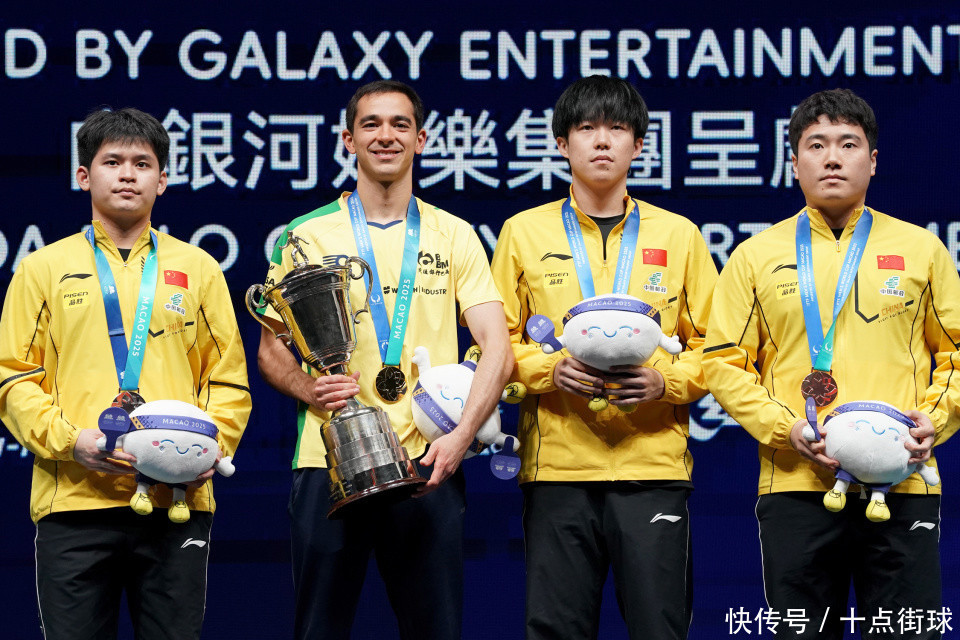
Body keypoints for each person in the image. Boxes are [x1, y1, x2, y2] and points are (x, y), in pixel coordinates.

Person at [256, 80, 512, 640]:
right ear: (348, 140)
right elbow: (271, 348)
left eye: (400, 124)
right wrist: (308, 388)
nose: (386, 135)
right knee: (319, 631)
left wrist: (460, 437)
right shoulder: (306, 235)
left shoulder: (454, 235)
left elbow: (498, 347)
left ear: (421, 139)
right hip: (328, 458)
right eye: (370, 124)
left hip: (428, 459)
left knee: (435, 632)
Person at [703, 88, 959, 639]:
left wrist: (933, 421)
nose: (833, 158)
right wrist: (786, 429)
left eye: (849, 143)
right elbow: (723, 361)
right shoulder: (755, 256)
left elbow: (956, 353)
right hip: (797, 483)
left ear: (873, 160)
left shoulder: (923, 250)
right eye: (816, 145)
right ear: (794, 163)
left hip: (903, 480)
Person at [0, 107, 252, 640]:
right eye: (111, 161)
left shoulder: (199, 268)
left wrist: (208, 451)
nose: (127, 174)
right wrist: (71, 441)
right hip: (75, 500)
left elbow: (227, 379)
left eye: (142, 163)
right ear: (84, 175)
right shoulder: (43, 268)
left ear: (162, 180)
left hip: (176, 499)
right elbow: (14, 378)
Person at [490, 75, 717, 640]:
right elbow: (494, 344)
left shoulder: (681, 235)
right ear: (561, 143)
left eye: (616, 128)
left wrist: (665, 382)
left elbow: (716, 348)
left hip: (652, 467)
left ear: (638, 144)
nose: (601, 141)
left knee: (660, 629)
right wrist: (549, 370)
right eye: (586, 128)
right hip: (558, 472)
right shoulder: (522, 232)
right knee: (556, 631)